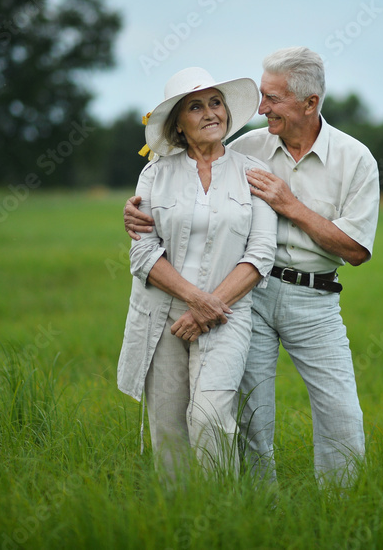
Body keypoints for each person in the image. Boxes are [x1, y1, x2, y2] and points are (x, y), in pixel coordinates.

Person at [125, 47, 380, 488]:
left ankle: (343, 508)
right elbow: (188, 182)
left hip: (314, 299)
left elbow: (356, 250)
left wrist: (291, 206)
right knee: (250, 418)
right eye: (261, 97)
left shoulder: (354, 159)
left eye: (272, 99)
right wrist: (134, 214)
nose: (261, 109)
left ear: (310, 103)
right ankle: (262, 510)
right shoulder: (246, 148)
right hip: (249, 298)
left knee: (341, 410)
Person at [116, 67, 277, 481]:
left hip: (228, 313)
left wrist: (210, 305)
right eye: (196, 106)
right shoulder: (155, 174)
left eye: (216, 102)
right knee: (168, 429)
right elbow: (142, 254)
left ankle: (222, 514)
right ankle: (181, 522)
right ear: (178, 125)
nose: (210, 112)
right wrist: (194, 299)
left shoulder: (251, 172)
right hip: (163, 315)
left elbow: (260, 254)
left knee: (209, 416)